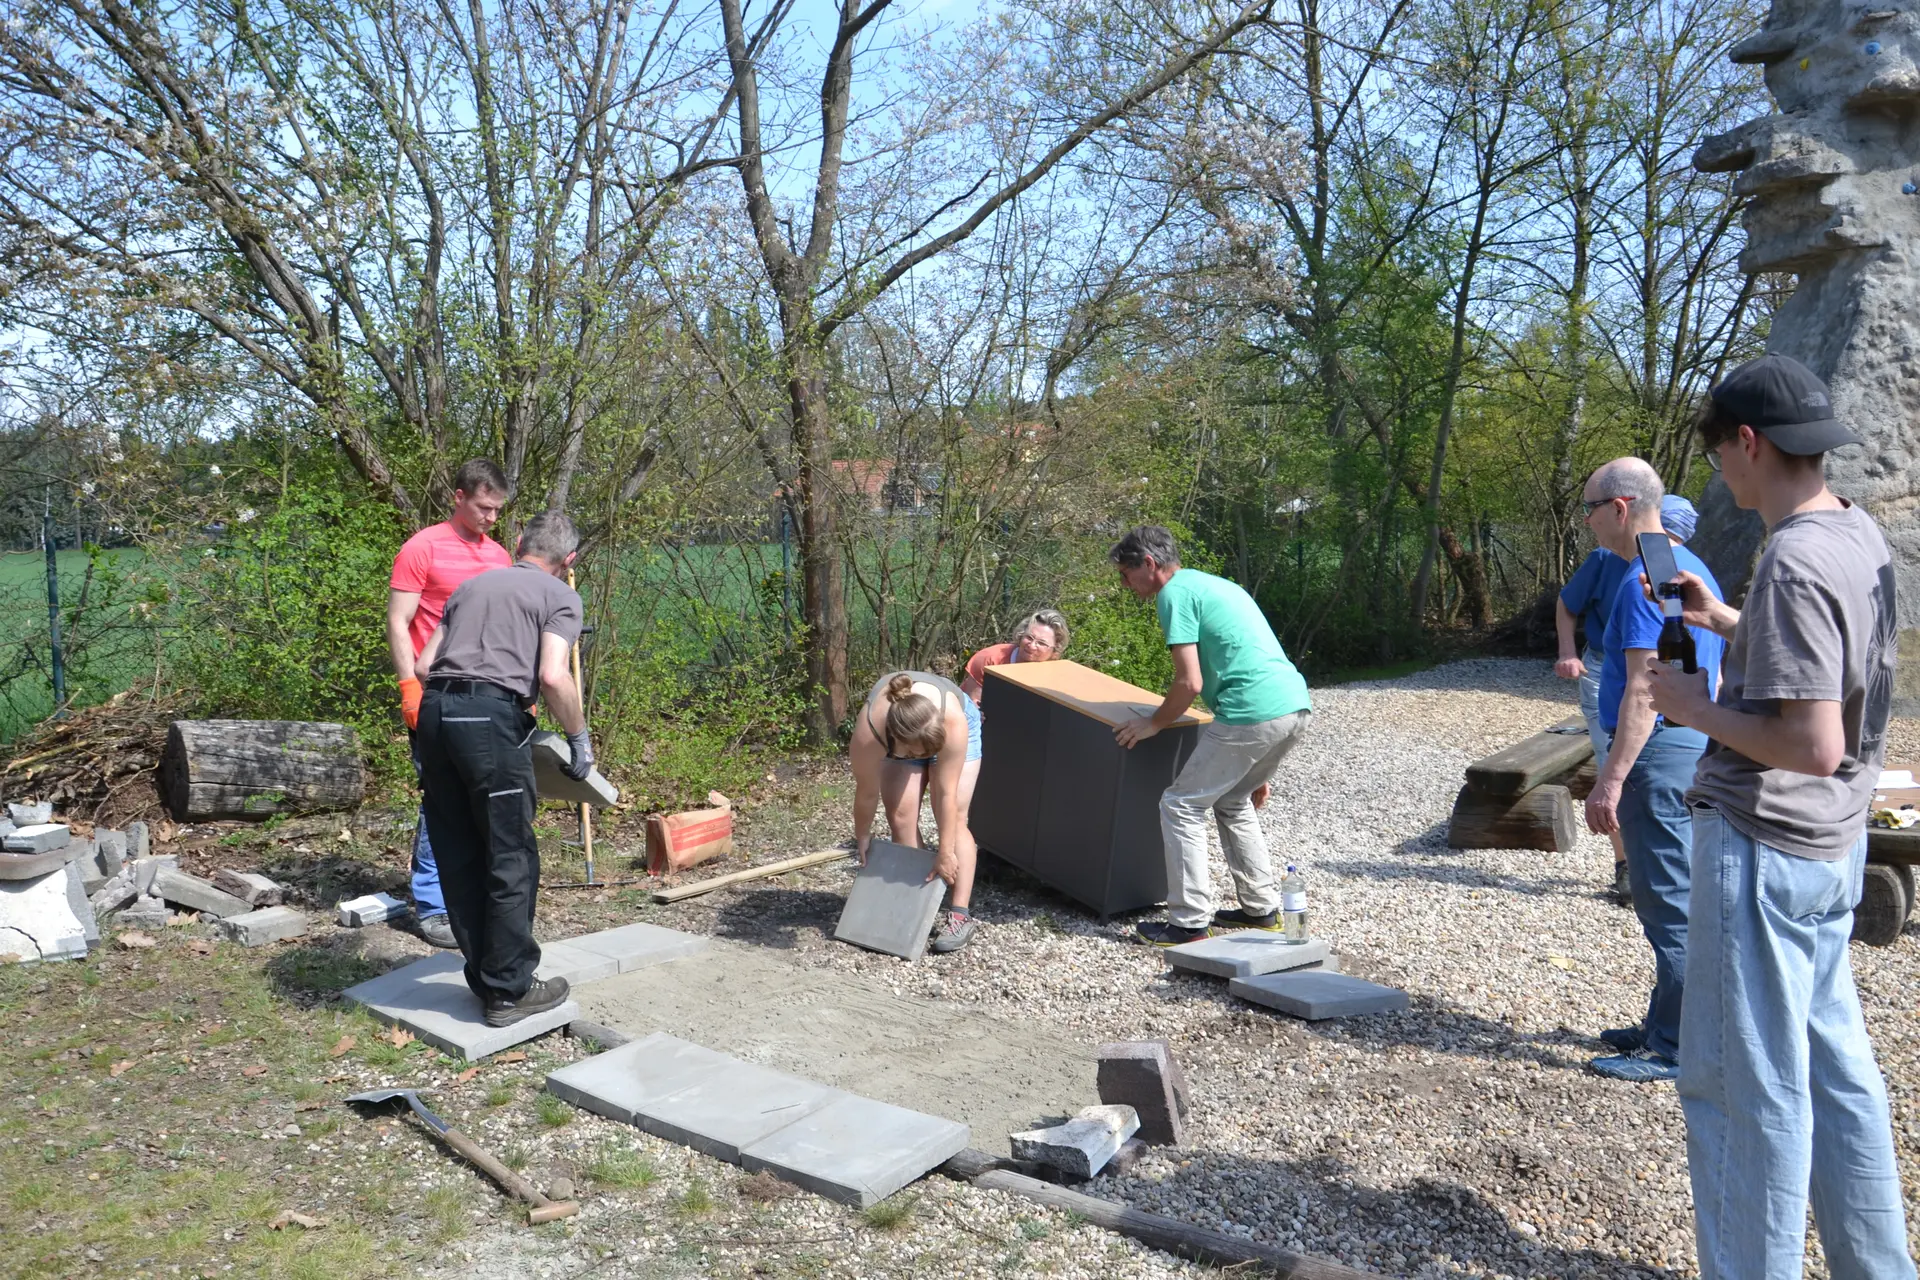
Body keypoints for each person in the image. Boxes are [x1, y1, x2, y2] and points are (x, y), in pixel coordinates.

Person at [1648, 354, 1910, 1279]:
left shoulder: (1793, 558)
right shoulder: (1854, 535)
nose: (1719, 472)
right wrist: (1725, 618)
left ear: (1748, 443)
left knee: (1739, 1092)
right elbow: (1823, 651)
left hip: (1762, 846)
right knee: (1838, 1076)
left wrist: (1690, 709)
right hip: (1829, 849)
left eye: (1720, 454)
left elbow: (1812, 742)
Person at [1578, 458, 1726, 1083]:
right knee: (1678, 899)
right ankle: (1664, 1022)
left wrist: (1609, 779)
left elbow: (1647, 691)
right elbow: (1693, 668)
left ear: (1618, 507)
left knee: (1669, 904)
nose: (1584, 523)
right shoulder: (1672, 568)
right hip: (1686, 747)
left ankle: (1673, 1046)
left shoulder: (1646, 578)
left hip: (1660, 757)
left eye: (1587, 509)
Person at [414, 512, 594, 1027]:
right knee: (509, 853)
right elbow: (552, 675)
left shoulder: (471, 587)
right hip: (490, 720)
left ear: (518, 543)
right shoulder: (560, 596)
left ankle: (487, 976)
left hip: (435, 716)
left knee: (457, 848)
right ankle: (510, 991)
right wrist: (578, 738)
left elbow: (425, 666)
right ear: (569, 561)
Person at [1109, 526, 1312, 945]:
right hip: (1292, 706)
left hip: (1253, 711)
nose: (1126, 584)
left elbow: (1189, 683)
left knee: (1180, 805)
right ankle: (1261, 910)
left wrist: (1154, 723)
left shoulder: (1173, 595)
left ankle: (1187, 923)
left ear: (1148, 564)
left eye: (1126, 574)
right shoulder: (1213, 584)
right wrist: (1253, 761)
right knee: (1233, 800)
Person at [387, 459, 514, 949]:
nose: (490, 518)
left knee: (487, 799)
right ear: (458, 497)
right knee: (441, 800)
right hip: (436, 696)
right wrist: (409, 688)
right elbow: (399, 622)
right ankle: (434, 905)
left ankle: (474, 895)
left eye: (498, 511)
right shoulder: (422, 548)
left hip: (490, 698)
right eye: (484, 508)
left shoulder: (501, 557)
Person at [849, 671, 982, 953]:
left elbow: (946, 793)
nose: (918, 759)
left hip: (950, 726)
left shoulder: (953, 722)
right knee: (900, 815)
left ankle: (959, 914)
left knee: (955, 818)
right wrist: (862, 835)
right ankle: (915, 904)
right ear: (894, 740)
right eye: (913, 754)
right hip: (905, 733)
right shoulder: (870, 730)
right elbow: (867, 792)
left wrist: (945, 852)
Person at [1555, 544, 1631, 900]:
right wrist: (1568, 653)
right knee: (1612, 765)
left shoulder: (1678, 562)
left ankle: (1671, 863)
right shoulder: (1605, 558)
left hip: (1661, 670)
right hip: (1604, 669)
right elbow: (1567, 604)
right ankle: (1626, 865)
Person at [960, 609, 1070, 704]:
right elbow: (970, 708)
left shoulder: (1056, 674)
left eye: (1041, 643)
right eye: (1029, 637)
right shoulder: (990, 659)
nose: (1031, 646)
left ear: (1055, 649)